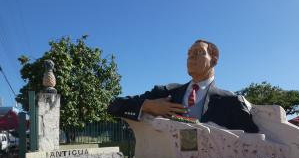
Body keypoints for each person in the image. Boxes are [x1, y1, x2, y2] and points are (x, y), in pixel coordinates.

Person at [107, 40, 259, 133]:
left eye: (198, 52)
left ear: (214, 60)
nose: (191, 57)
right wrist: (148, 105)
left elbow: (253, 139)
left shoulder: (230, 100)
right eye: (189, 53)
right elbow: (114, 106)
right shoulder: (165, 92)